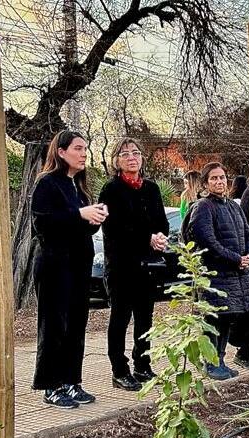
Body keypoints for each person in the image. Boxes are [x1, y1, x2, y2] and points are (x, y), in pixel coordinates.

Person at [30, 130, 107, 409]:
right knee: (54, 326)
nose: (83, 153)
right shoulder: (47, 183)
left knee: (76, 324)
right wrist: (79, 214)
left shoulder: (80, 186)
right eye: (78, 148)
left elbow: (83, 227)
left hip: (78, 264)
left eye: (85, 148)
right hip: (53, 265)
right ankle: (51, 385)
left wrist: (95, 217)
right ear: (61, 152)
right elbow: (43, 224)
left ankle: (72, 381)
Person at [99, 137, 169, 392]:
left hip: (147, 266)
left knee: (145, 319)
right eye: (125, 153)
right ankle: (119, 370)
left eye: (136, 153)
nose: (132, 157)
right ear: (117, 160)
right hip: (121, 266)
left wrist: (160, 236)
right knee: (120, 319)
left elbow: (161, 221)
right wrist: (146, 238)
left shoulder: (151, 188)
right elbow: (114, 228)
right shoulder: (111, 190)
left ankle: (143, 363)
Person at [188, 162, 249, 380]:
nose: (219, 182)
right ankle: (209, 363)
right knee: (213, 319)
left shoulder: (233, 206)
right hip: (215, 275)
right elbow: (207, 240)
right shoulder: (203, 207)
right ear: (206, 183)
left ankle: (220, 359)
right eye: (214, 178)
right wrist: (235, 258)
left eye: (222, 177)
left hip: (235, 275)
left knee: (227, 317)